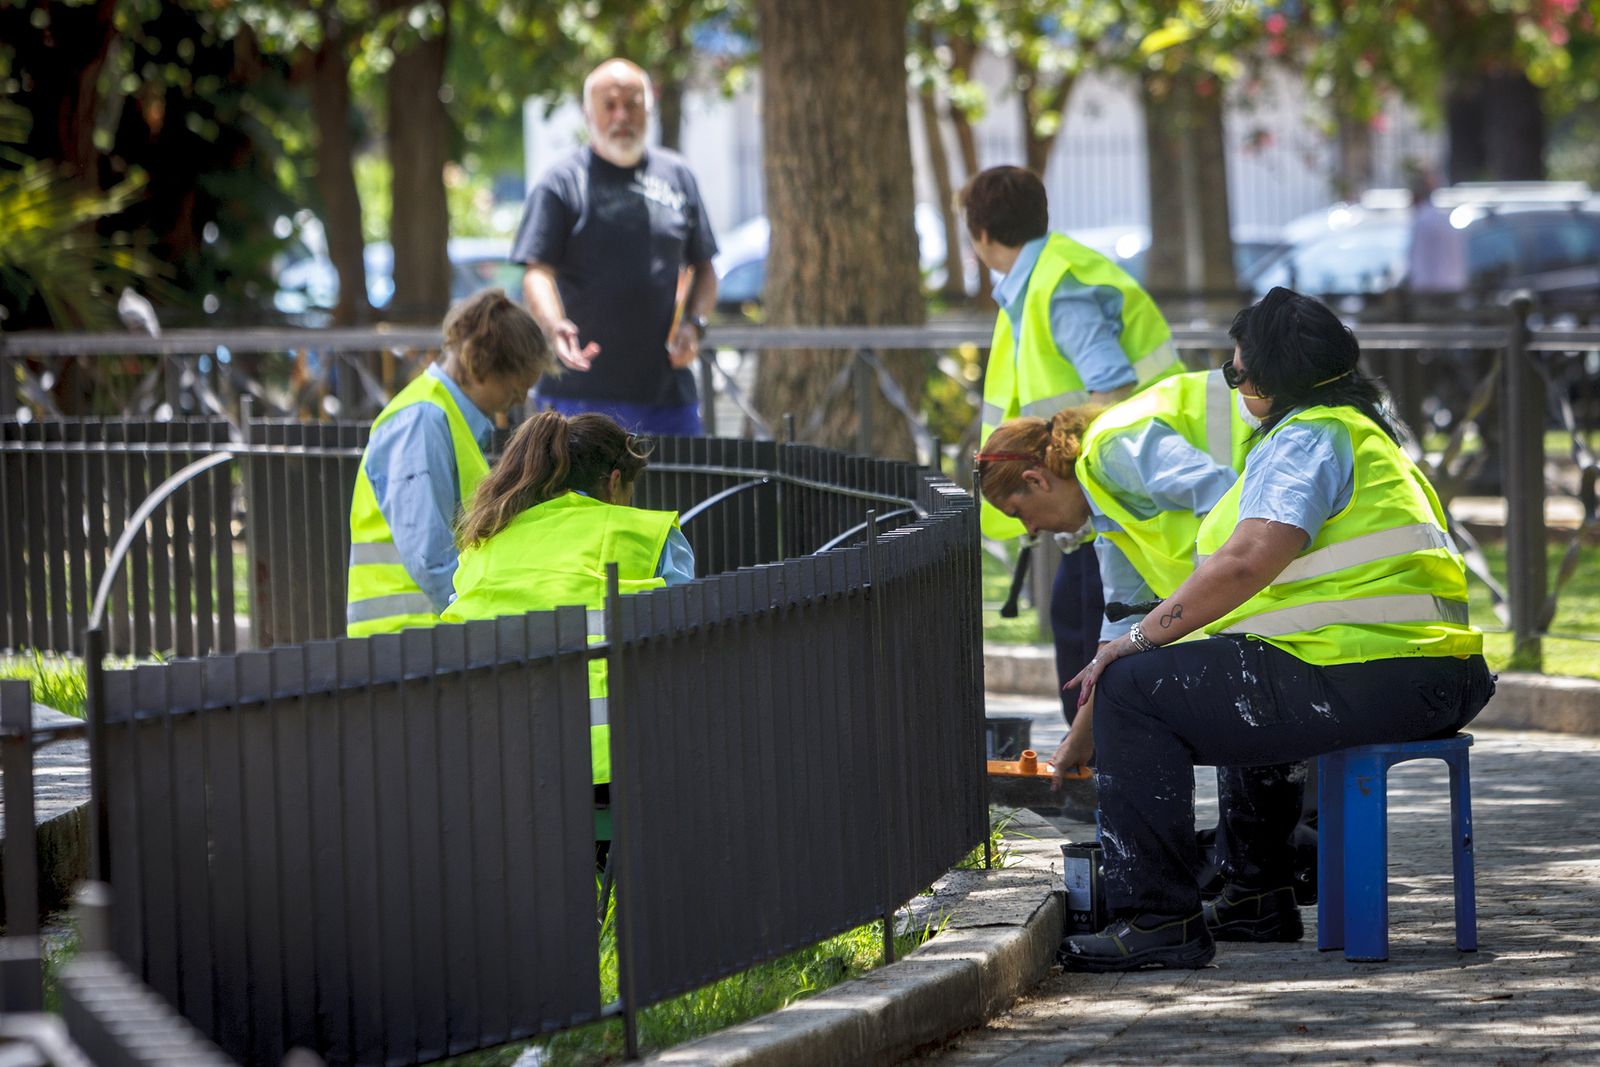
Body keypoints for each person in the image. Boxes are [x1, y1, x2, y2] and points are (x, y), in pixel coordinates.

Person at [1057, 288, 1494, 972]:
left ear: (1266, 377)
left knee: (1130, 692)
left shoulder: (1307, 437)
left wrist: (1131, 643)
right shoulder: (1364, 434)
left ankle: (1157, 918)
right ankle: (1255, 893)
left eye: (1237, 373)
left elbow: (1245, 561)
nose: (1234, 385)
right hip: (1431, 675)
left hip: (1375, 675)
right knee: (1233, 673)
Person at [959, 165, 1182, 722]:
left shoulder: (1057, 286)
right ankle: (1091, 763)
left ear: (981, 234)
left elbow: (1111, 386)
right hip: (1098, 487)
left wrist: (1077, 473)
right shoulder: (1039, 281)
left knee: (1086, 623)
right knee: (1079, 619)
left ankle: (1091, 766)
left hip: (1115, 486)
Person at [975, 367, 1252, 776]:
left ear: (1036, 479)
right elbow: (1117, 634)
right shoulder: (1104, 506)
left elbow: (1225, 497)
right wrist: (1078, 740)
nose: (1031, 530)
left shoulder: (1111, 449)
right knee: (1129, 679)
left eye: (1019, 514)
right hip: (1267, 574)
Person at [442, 411, 695, 789]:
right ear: (614, 483)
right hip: (616, 763)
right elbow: (691, 642)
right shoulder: (648, 537)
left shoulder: (484, 546)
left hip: (491, 762)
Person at [512, 57, 719, 437]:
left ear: (649, 108)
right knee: (581, 499)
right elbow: (537, 271)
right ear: (589, 114)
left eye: (632, 103)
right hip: (578, 395)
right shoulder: (561, 182)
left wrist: (695, 324)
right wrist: (554, 325)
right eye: (609, 105)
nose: (621, 115)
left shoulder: (679, 176)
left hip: (668, 397)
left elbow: (703, 267)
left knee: (682, 497)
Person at [347, 289, 554, 637]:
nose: (516, 402)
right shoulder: (424, 420)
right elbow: (431, 559)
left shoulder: (440, 416)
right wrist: (480, 628)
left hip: (418, 636)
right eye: (515, 388)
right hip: (410, 639)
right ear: (481, 366)